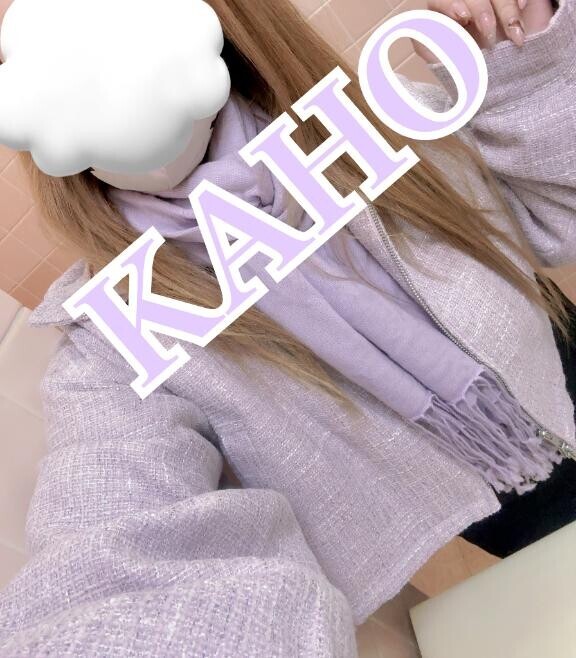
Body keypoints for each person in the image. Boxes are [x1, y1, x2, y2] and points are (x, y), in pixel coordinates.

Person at [0, 0, 575, 655]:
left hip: (557, 359)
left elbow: (557, 213)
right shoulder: (114, 343)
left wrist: (523, 53)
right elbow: (104, 535)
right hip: (504, 488)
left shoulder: (378, 121)